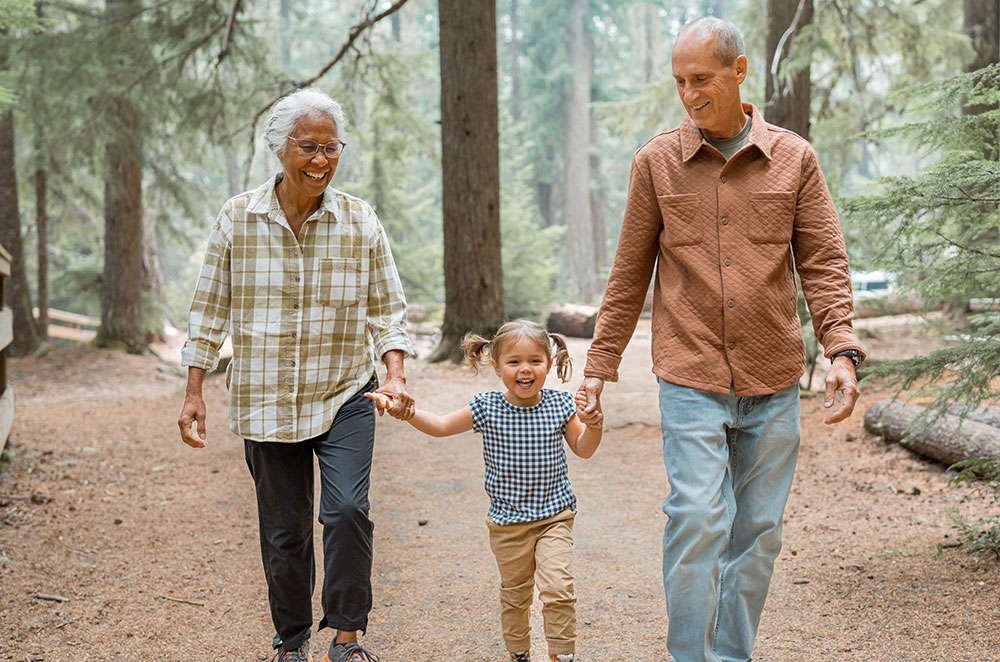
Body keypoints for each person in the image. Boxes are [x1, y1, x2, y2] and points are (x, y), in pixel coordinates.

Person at [577, 17, 865, 662]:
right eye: (679, 81)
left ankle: (730, 655)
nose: (689, 94)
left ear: (738, 72)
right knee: (697, 519)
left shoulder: (794, 157)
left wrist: (840, 350)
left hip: (772, 374)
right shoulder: (657, 161)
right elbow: (629, 272)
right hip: (691, 371)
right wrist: (599, 364)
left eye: (701, 79)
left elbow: (822, 262)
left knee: (759, 532)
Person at [177, 88, 414, 662]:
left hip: (345, 392)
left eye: (331, 147)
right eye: (309, 147)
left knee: (347, 511)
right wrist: (194, 392)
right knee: (286, 534)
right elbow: (209, 310)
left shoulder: (359, 219)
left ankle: (348, 638)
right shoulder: (238, 217)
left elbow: (387, 309)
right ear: (278, 149)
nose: (321, 160)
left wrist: (396, 374)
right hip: (267, 400)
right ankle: (292, 640)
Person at [370, 319, 603, 662]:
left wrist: (595, 425)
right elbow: (441, 426)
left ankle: (562, 655)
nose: (525, 370)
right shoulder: (487, 407)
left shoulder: (560, 405)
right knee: (516, 595)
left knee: (558, 590)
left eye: (535, 361)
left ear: (549, 364)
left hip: (555, 517)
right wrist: (406, 412)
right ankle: (518, 653)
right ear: (496, 366)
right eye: (514, 362)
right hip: (508, 525)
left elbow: (583, 448)